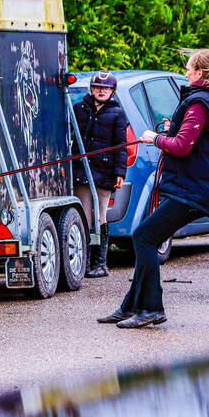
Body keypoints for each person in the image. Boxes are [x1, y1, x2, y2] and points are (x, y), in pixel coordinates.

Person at [98, 49, 209, 329]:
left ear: (200, 73)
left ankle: (152, 308)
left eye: (189, 68)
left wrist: (154, 138)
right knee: (145, 235)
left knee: (144, 237)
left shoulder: (201, 104)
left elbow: (182, 146)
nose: (185, 72)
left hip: (193, 191)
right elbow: (191, 137)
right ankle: (131, 306)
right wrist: (173, 129)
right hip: (192, 188)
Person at [73, 71, 129, 278]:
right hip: (81, 169)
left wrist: (119, 172)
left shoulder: (117, 113)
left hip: (104, 171)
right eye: (97, 87)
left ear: (112, 91)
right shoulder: (78, 108)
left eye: (105, 88)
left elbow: (121, 145)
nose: (101, 91)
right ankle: (84, 262)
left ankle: (101, 263)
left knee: (100, 216)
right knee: (84, 216)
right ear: (91, 89)